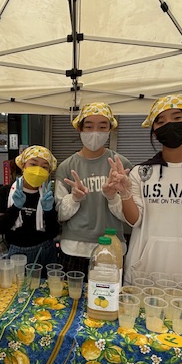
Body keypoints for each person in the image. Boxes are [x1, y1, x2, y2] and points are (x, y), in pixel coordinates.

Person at [106, 94, 182, 284]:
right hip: (142, 273)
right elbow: (135, 220)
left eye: (177, 118)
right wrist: (125, 193)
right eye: (161, 121)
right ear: (155, 132)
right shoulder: (141, 172)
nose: (169, 124)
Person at [54, 102, 132, 276]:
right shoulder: (66, 167)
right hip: (74, 249)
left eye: (102, 126)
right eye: (89, 126)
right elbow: (59, 214)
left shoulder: (122, 165)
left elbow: (129, 217)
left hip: (111, 248)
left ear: (110, 129)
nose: (95, 132)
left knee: (106, 301)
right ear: (79, 129)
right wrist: (74, 199)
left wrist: (112, 196)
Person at [0, 146, 60, 272]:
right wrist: (16, 207)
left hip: (46, 251)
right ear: (23, 166)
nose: (38, 170)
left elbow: (54, 232)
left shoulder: (47, 195)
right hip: (18, 254)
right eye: (33, 164)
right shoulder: (6, 192)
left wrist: (48, 210)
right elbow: (0, 227)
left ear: (49, 171)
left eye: (44, 167)